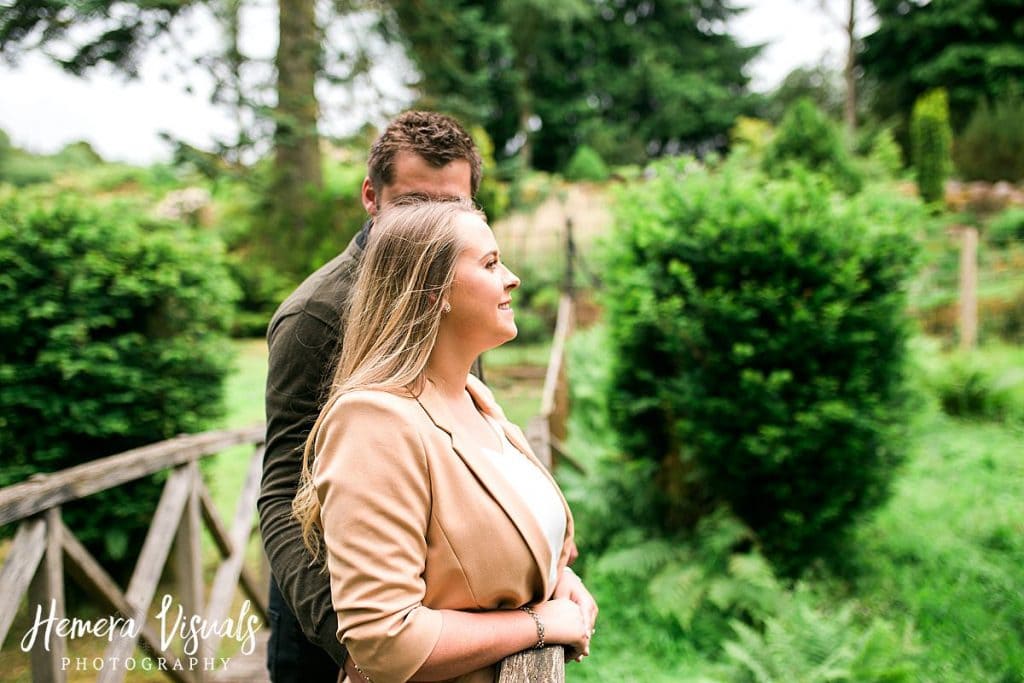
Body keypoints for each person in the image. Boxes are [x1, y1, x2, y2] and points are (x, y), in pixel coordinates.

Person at [292, 199, 598, 683]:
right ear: (433, 293)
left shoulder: (475, 398)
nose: (513, 277)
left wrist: (562, 580)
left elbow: (495, 539)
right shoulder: (373, 421)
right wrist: (538, 624)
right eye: (491, 263)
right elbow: (384, 641)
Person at [258, 111, 483, 680]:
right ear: (370, 197)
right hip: (331, 621)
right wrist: (354, 647)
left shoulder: (463, 291)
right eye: (411, 204)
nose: (432, 225)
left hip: (435, 612)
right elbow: (284, 493)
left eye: (451, 209)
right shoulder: (317, 316)